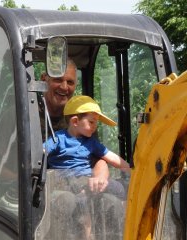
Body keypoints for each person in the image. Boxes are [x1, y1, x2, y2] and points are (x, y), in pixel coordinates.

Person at [43, 95, 130, 240]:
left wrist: (131, 170)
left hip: (85, 179)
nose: (95, 126)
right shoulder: (58, 138)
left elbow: (111, 157)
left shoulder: (91, 142)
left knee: (114, 190)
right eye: (91, 122)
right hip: (62, 180)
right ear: (75, 121)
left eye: (96, 123)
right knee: (76, 198)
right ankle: (86, 234)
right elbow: (42, 152)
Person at [39, 59, 110, 193]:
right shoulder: (25, 115)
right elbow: (4, 169)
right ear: (44, 79)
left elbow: (99, 159)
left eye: (70, 82)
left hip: (79, 191)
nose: (64, 87)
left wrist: (100, 177)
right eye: (58, 80)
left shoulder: (84, 118)